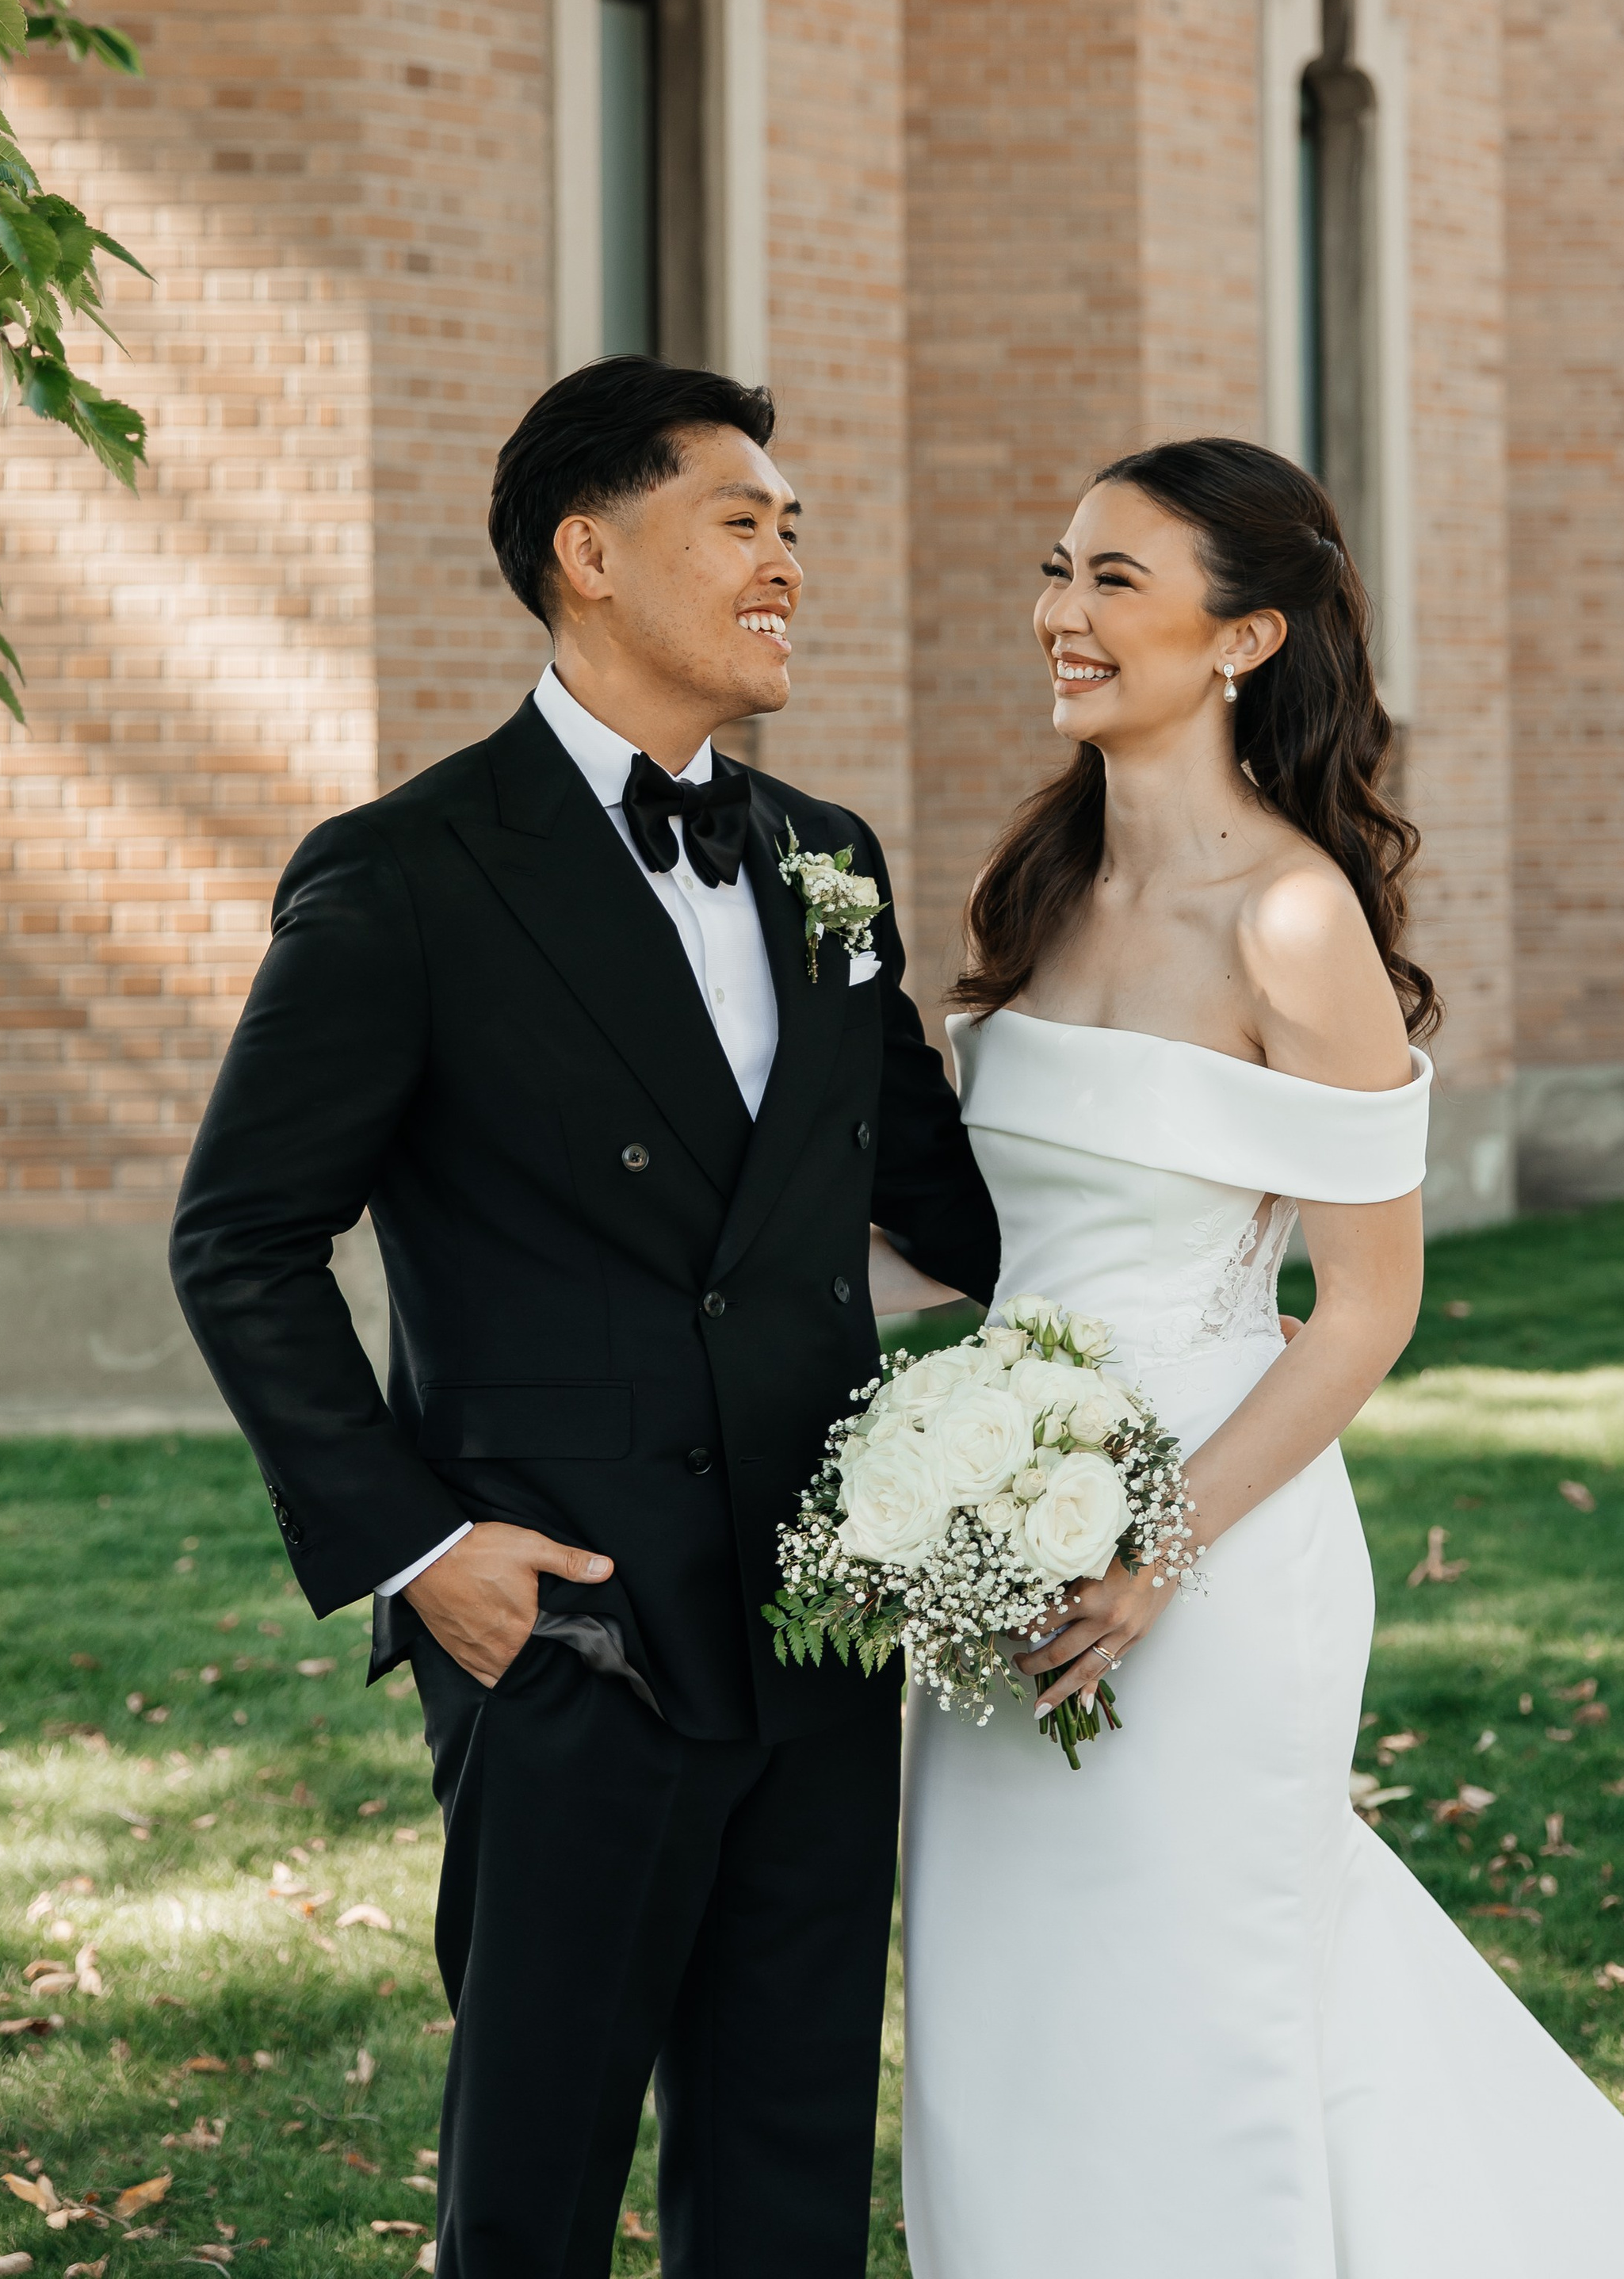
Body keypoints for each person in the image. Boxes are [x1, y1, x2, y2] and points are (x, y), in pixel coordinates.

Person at [898, 434, 1624, 2279]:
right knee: (1010, 2005)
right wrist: (939, 1481)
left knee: (1200, 1997)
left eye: (1111, 582)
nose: (1057, 616)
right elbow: (990, 1250)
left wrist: (1154, 1547)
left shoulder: (1292, 917)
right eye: (1057, 572)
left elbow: (1367, 1311)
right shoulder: (1039, 886)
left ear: (1241, 642)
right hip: (994, 1537)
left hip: (1211, 1556)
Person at [170, 357, 997, 2279]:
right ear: (587, 552)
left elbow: (945, 1206)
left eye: (793, 525)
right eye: (743, 518)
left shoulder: (828, 861)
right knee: (531, 2192)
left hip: (817, 1612)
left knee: (787, 2175)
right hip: (570, 1632)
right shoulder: (402, 878)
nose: (789, 555)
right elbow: (241, 1240)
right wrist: (422, 1550)